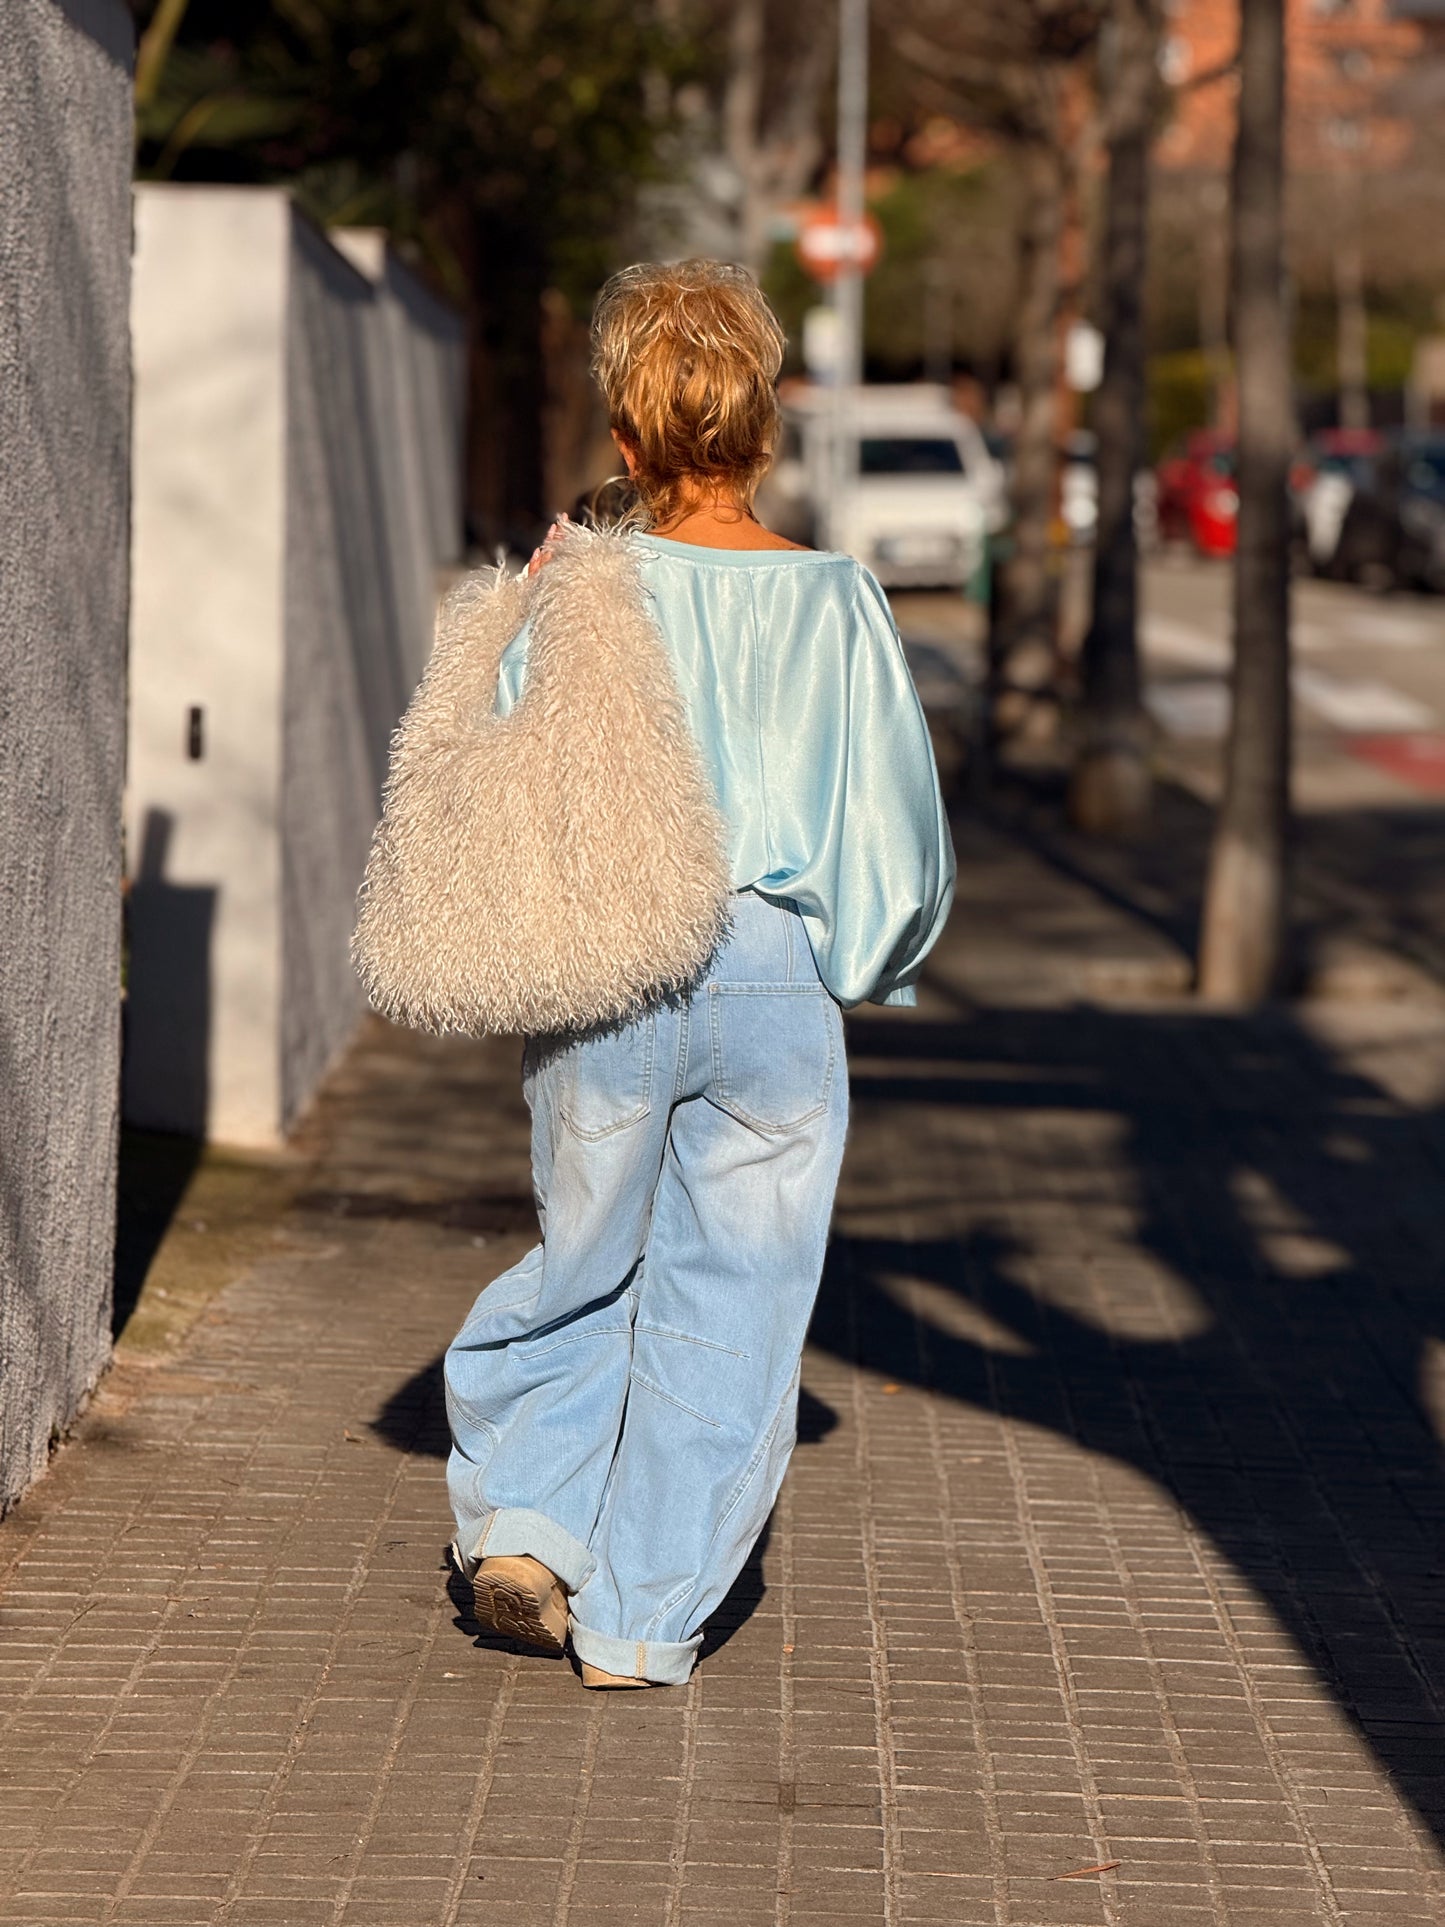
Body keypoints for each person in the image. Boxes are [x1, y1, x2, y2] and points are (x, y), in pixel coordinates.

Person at [444, 259, 954, 1689]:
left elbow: (503, 769)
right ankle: (642, 1623)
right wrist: (868, 956)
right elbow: (894, 824)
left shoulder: (586, 587)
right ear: (764, 425)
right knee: (736, 1309)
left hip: (612, 954)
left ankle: (530, 1528)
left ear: (625, 437)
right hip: (775, 972)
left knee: (581, 1256)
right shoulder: (839, 600)